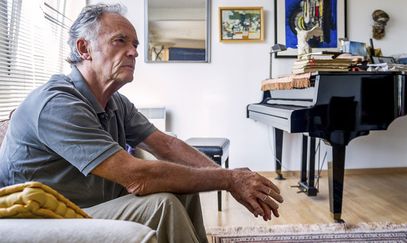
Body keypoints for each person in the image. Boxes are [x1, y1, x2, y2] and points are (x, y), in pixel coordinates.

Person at [0, 3, 283, 242]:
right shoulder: (57, 104)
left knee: (184, 188)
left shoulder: (115, 102)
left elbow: (167, 145)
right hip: (48, 216)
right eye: (120, 41)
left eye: (135, 44)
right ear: (84, 48)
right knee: (163, 205)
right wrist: (229, 179)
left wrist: (229, 180)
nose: (134, 52)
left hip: (92, 204)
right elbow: (137, 178)